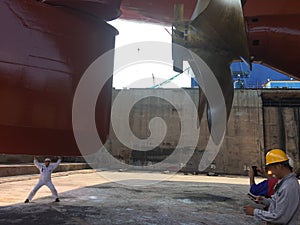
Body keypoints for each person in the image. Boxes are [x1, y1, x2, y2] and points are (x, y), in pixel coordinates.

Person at [244, 149, 300, 225]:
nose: (272, 173)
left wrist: (255, 212)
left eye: (271, 169)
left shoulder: (289, 186)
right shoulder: (284, 182)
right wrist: (264, 201)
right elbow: (279, 203)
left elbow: (280, 217)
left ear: (279, 166)